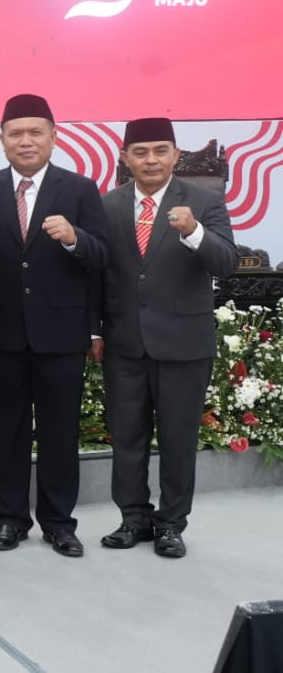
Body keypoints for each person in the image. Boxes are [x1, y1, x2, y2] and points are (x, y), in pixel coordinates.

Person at [0, 95, 107, 559]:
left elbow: (102, 257)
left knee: (59, 433)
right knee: (3, 432)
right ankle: (9, 519)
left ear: (54, 136)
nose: (25, 141)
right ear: (2, 139)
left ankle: (59, 523)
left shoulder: (80, 189)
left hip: (61, 333)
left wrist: (74, 239)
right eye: (16, 133)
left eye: (35, 132)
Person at [98, 117, 238, 558]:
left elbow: (227, 263)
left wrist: (194, 232)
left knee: (178, 439)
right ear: (125, 158)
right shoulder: (107, 205)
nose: (151, 160)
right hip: (124, 342)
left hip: (183, 343)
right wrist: (94, 330)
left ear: (176, 155)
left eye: (161, 150)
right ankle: (133, 518)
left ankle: (172, 524)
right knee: (127, 437)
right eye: (140, 152)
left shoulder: (204, 201)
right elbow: (98, 274)